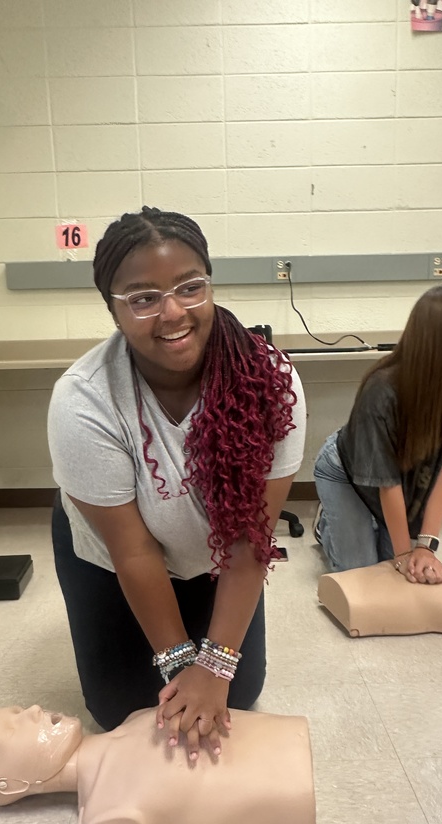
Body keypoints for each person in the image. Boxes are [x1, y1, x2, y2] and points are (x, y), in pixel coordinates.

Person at [47, 207, 306, 758]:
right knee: (122, 707)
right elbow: (134, 550)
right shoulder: (83, 399)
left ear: (209, 285)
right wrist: (179, 661)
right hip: (115, 553)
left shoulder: (270, 383)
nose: (171, 313)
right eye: (142, 297)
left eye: (190, 287)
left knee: (241, 689)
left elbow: (248, 536)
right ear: (113, 310)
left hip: (218, 551)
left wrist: (214, 665)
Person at [0, 705, 317, 824]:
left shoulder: (132, 720)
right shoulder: (107, 817)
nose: (35, 710)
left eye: (19, 709)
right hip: (294, 795)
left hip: (290, 746)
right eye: (13, 728)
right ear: (9, 785)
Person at [313, 284, 442, 578]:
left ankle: (363, 526)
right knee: (363, 572)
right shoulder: (382, 389)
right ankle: (328, 525)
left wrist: (425, 547)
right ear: (440, 342)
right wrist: (405, 553)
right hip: (347, 472)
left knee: (395, 567)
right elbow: (387, 483)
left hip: (405, 476)